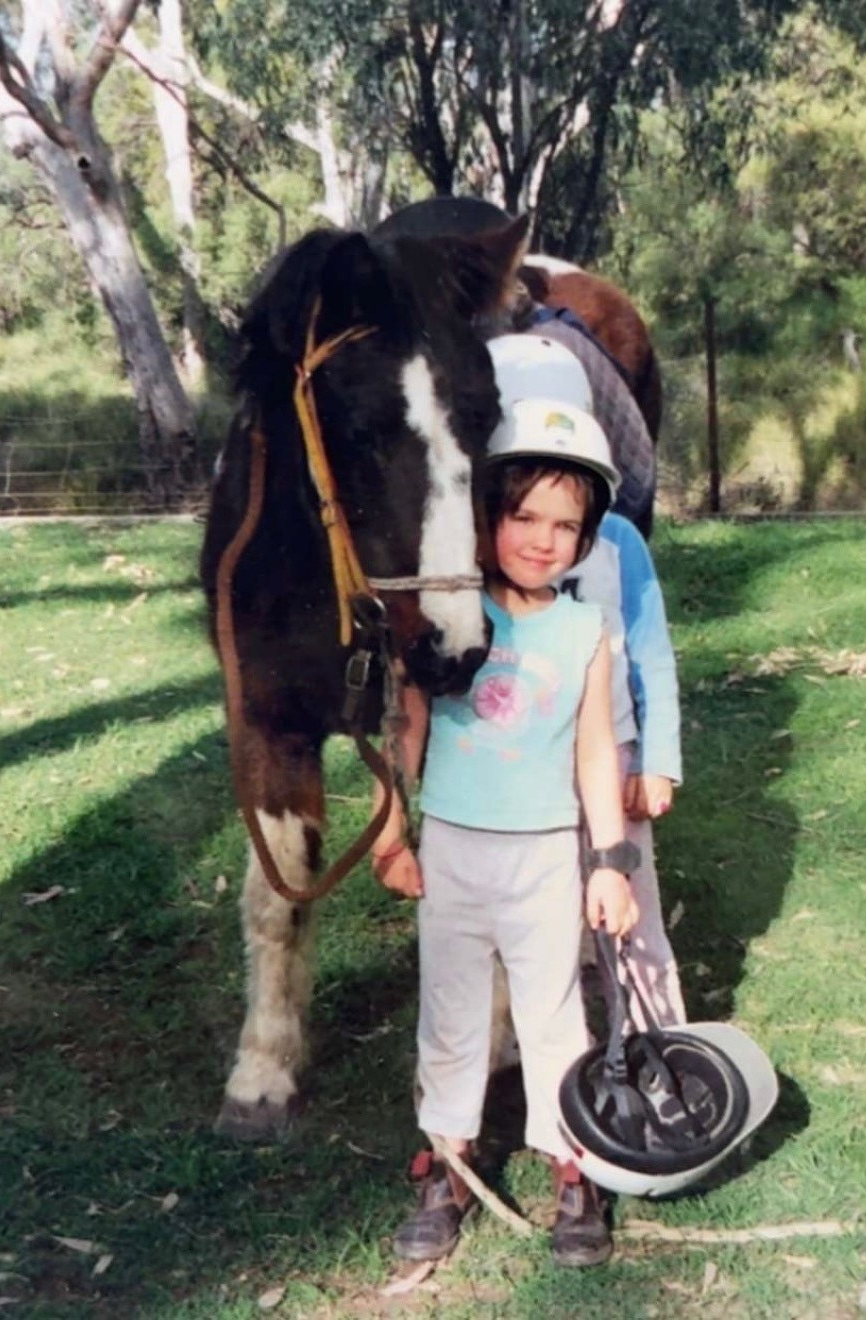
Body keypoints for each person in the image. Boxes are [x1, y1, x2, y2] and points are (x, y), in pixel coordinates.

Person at [370, 335, 641, 1269]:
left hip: (542, 855)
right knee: (446, 1012)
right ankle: (446, 1165)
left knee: (552, 1011)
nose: (540, 539)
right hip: (452, 847)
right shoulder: (450, 621)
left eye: (563, 526)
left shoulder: (586, 632)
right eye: (521, 515)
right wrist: (393, 832)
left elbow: (597, 751)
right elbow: (406, 727)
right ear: (484, 516)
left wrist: (608, 862)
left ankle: (575, 1168)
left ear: (586, 537)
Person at [561, 507, 687, 1025]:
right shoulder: (496, 529)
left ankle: (660, 1045)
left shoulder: (617, 539)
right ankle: (547, 1061)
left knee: (630, 907)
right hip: (521, 764)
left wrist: (657, 760)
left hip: (613, 752)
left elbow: (650, 651)